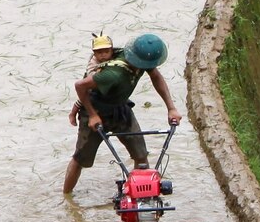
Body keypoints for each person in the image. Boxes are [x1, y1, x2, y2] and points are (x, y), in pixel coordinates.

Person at [63, 31, 182, 196]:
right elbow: (80, 86)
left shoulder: (143, 62)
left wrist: (171, 108)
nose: (151, 67)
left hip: (121, 109)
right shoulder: (113, 74)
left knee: (141, 156)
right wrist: (92, 114)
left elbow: (156, 76)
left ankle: (141, 197)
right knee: (81, 159)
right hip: (96, 112)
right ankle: (66, 196)